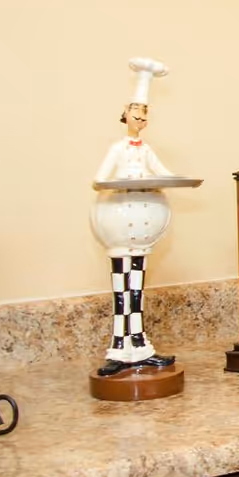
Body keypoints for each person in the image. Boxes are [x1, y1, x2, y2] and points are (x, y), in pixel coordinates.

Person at [90, 59, 182, 376]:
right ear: (125, 115)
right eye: (136, 113)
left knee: (137, 286)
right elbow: (100, 178)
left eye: (145, 115)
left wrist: (179, 179)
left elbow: (165, 173)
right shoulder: (118, 148)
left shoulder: (146, 150)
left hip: (143, 234)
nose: (140, 119)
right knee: (122, 287)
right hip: (117, 229)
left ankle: (140, 347)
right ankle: (119, 348)